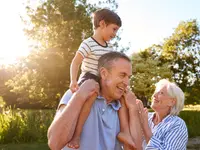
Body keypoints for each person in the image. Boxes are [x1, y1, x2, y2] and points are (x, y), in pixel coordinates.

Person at [66, 8, 134, 148]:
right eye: (114, 29)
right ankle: (77, 134)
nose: (115, 34)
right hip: (89, 77)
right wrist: (73, 80)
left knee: (122, 94)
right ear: (102, 24)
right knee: (92, 93)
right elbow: (75, 62)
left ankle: (125, 131)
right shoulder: (88, 43)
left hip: (102, 78)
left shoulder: (108, 48)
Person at [47, 51, 142, 150]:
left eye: (128, 77)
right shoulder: (76, 94)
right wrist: (80, 96)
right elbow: (55, 143)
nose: (127, 82)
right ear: (104, 73)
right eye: (122, 75)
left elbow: (136, 147)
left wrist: (133, 108)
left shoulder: (124, 106)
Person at [128, 79, 188, 150]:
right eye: (156, 92)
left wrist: (145, 126)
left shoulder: (177, 125)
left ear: (172, 102)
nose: (154, 95)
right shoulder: (146, 116)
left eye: (161, 93)